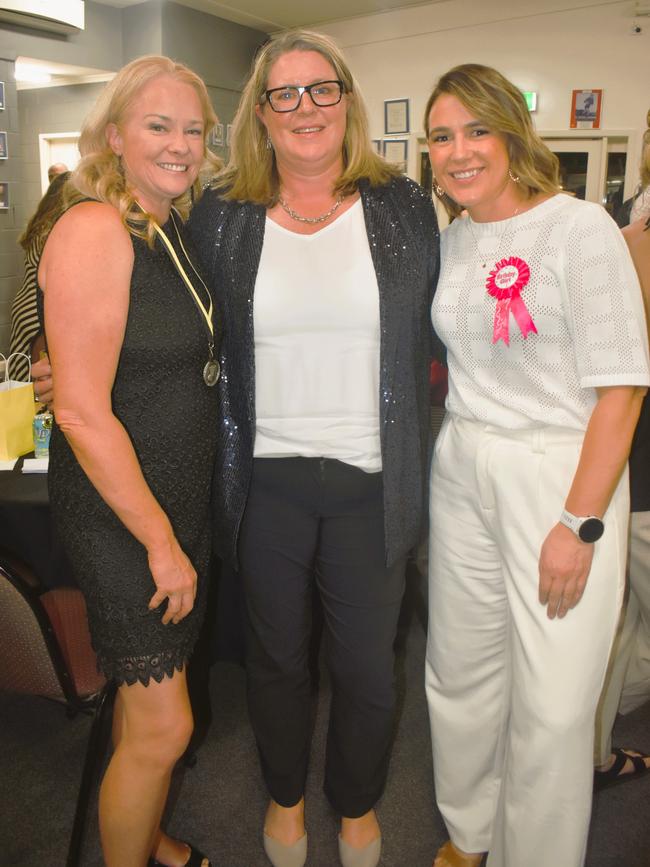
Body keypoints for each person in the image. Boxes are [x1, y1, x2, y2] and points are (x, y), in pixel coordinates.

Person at [187, 29, 439, 867]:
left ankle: (359, 805)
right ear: (259, 114)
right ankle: (285, 797)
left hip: (373, 479)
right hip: (265, 482)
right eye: (283, 94)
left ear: (347, 102)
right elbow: (178, 320)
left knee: (371, 669)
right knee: (275, 660)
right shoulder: (221, 216)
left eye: (320, 89)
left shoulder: (402, 205)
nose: (304, 108)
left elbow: (445, 325)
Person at [423, 63, 649, 867]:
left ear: (513, 136)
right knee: (460, 670)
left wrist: (578, 522)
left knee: (553, 702)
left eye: (476, 130)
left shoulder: (579, 229)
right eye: (442, 136)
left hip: (559, 472)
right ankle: (472, 829)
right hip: (462, 465)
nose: (459, 152)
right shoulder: (449, 239)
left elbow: (622, 390)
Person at [37, 56, 219, 867]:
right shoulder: (93, 228)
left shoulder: (164, 221)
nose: (180, 144)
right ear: (114, 135)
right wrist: (159, 539)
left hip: (172, 495)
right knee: (167, 723)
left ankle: (149, 839)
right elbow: (76, 407)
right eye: (158, 125)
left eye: (193, 129)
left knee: (144, 708)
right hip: (125, 513)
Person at [594, 212, 650, 789]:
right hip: (628, 473)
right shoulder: (623, 242)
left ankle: (590, 745)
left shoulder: (625, 239)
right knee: (612, 628)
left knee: (618, 628)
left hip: (624, 474)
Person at [9, 171, 70, 382]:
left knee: (22, 373)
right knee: (43, 381)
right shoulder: (59, 230)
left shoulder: (39, 227)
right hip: (40, 310)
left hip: (24, 308)